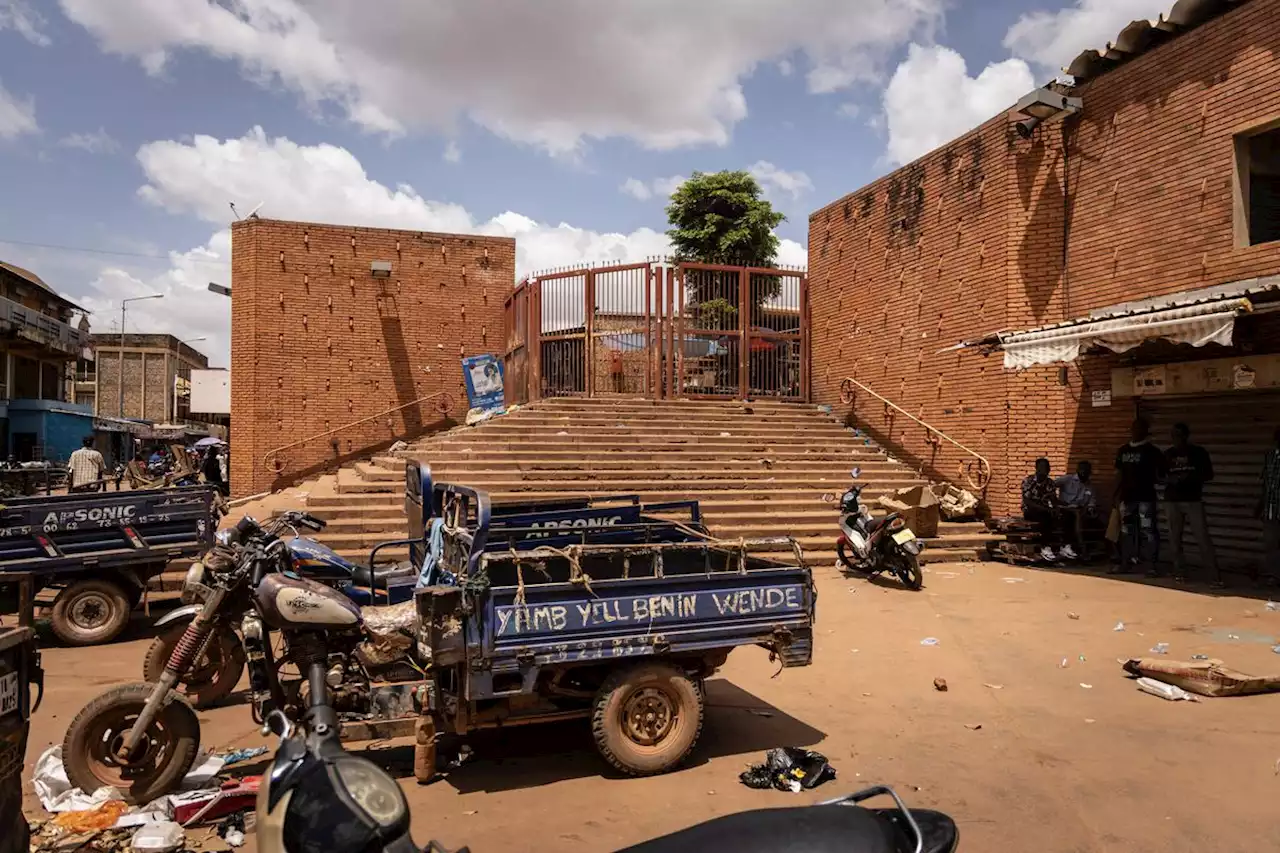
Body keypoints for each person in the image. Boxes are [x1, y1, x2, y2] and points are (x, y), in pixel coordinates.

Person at [1164, 423, 1221, 587]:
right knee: (1174, 538)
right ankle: (1179, 572)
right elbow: (1159, 476)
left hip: (1193, 499)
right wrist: (1171, 479)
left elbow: (1208, 474)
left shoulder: (1198, 453)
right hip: (1172, 500)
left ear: (1186, 436)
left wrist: (1190, 477)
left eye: (1180, 435)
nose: (1177, 439)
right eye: (1174, 435)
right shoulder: (1168, 454)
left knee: (1202, 537)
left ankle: (1213, 575)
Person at [1114, 418, 1165, 576]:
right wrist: (1115, 495)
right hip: (1127, 497)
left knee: (1148, 530)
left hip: (1146, 497)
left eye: (1140, 428)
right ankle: (1125, 563)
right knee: (1126, 531)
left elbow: (1160, 474)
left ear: (1145, 431)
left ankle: (1152, 565)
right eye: (1134, 428)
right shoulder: (1123, 450)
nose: (1136, 431)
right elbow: (1119, 474)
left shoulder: (1153, 451)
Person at [1022, 457, 1069, 561]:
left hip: (1045, 509)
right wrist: (1047, 509)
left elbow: (1053, 499)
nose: (1045, 470)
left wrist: (1057, 509)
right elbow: (1027, 502)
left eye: (1047, 468)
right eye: (1042, 468)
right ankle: (1045, 546)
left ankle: (1063, 546)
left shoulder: (1050, 483)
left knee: (1064, 516)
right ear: (1036, 468)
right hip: (1030, 510)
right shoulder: (1028, 481)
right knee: (1045, 517)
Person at [1055, 460, 1097, 557]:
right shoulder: (1067, 479)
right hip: (1065, 508)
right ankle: (1076, 547)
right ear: (1077, 470)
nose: (1083, 472)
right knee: (1072, 517)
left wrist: (1091, 508)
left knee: (1095, 520)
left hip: (1080, 510)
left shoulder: (1090, 486)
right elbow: (1050, 485)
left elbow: (1092, 501)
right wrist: (1055, 501)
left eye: (1086, 470)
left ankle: (1084, 547)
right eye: (1081, 470)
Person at [1258, 427, 1280, 587]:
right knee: (1271, 544)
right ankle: (1274, 575)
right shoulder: (1270, 456)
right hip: (1271, 509)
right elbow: (1265, 483)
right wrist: (1260, 504)